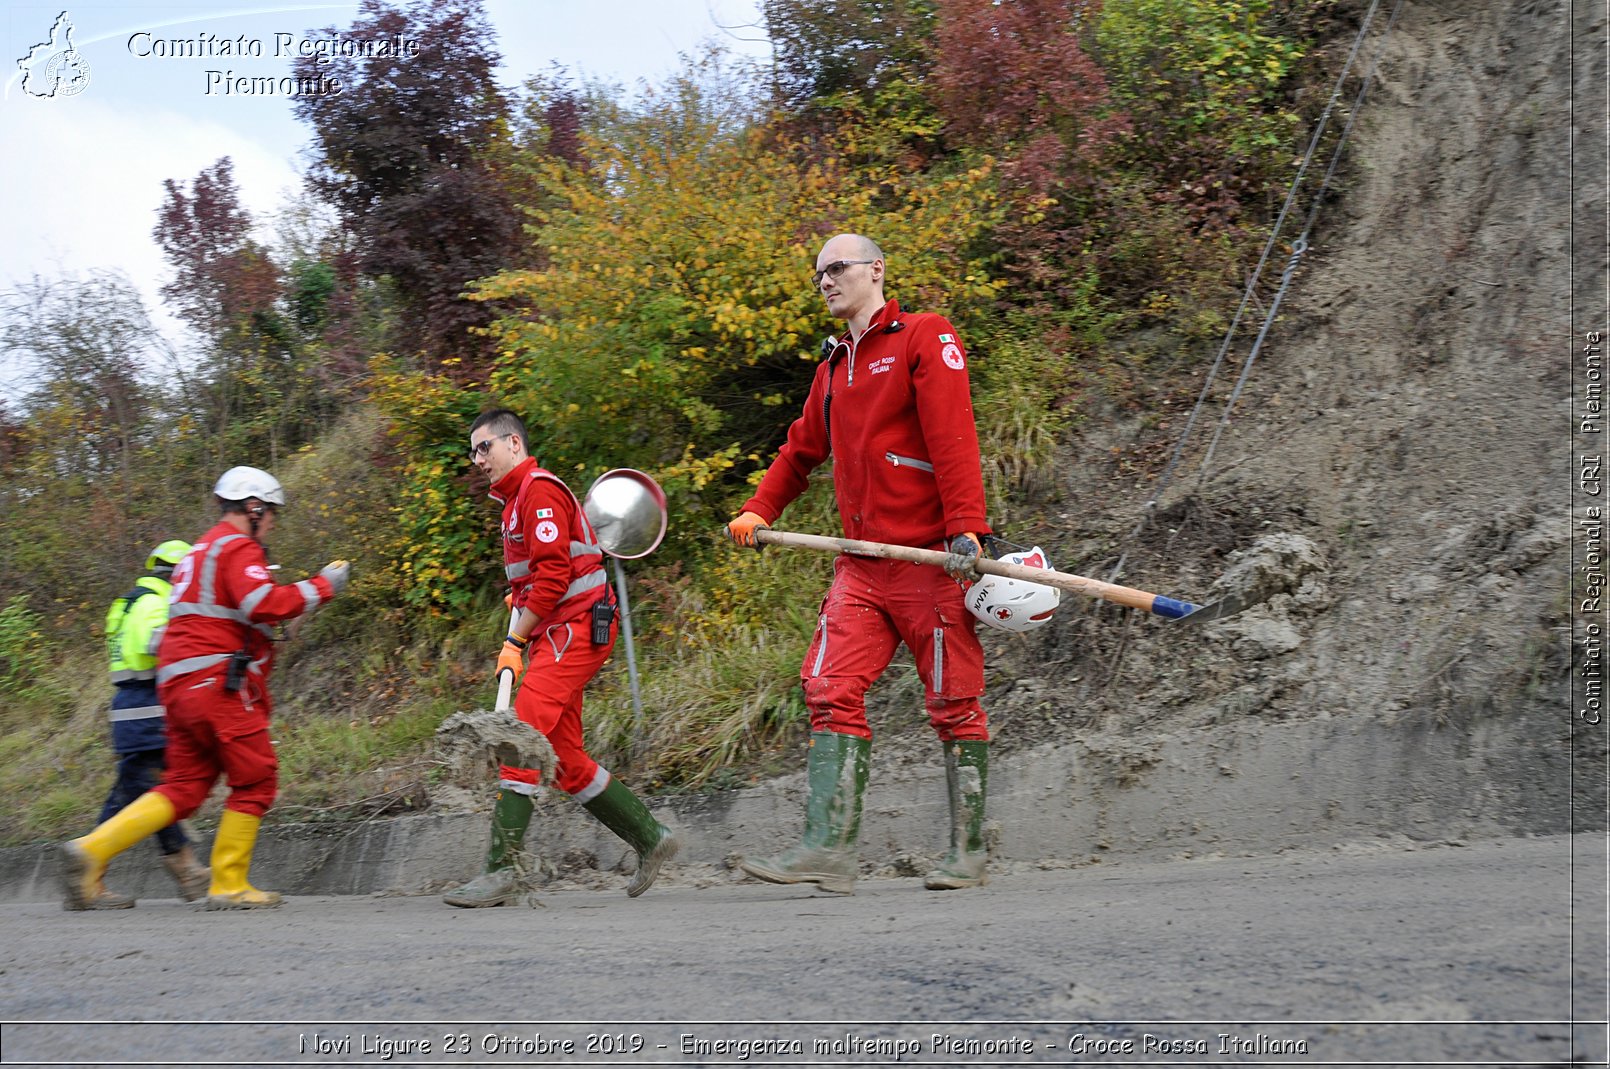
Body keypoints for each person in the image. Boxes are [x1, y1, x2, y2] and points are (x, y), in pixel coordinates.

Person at [727, 233, 994, 893]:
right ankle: (829, 847)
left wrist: (966, 530)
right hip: (860, 562)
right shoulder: (833, 366)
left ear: (876, 269)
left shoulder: (923, 337)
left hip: (928, 558)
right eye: (817, 272)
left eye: (837, 267)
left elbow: (953, 434)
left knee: (953, 702)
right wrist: (760, 508)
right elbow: (800, 450)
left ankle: (969, 850)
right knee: (827, 686)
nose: (825, 280)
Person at [59, 466, 349, 912]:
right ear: (252, 507)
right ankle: (229, 884)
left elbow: (227, 618)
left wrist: (278, 627)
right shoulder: (237, 547)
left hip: (179, 689)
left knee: (183, 786)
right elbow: (261, 603)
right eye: (270, 513)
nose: (272, 522)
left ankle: (92, 850)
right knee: (256, 778)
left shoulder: (197, 555)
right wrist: (321, 587)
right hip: (219, 687)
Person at [442, 409, 678, 907]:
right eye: (472, 451)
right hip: (559, 629)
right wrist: (520, 604)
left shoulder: (539, 491)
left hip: (575, 629)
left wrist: (516, 641)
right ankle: (651, 838)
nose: (476, 459)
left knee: (521, 736)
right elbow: (541, 578)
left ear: (513, 443)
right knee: (566, 761)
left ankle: (501, 869)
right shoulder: (513, 503)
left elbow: (553, 578)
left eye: (483, 447)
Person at [76, 539, 211, 909]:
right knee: (155, 792)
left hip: (133, 705)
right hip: (147, 706)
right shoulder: (155, 602)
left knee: (144, 790)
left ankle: (184, 870)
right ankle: (90, 870)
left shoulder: (131, 602)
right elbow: (158, 644)